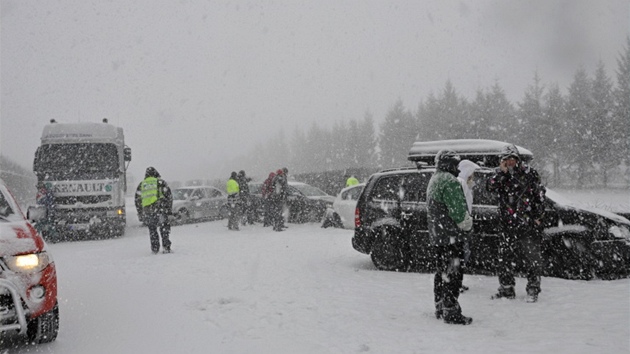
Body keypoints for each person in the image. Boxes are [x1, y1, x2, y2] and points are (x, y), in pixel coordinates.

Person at [486, 144, 546, 303]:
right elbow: (490, 187)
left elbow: (540, 196)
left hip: (527, 224)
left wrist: (537, 216)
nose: (509, 162)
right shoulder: (499, 174)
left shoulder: (529, 173)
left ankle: (533, 290)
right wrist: (502, 174)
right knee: (504, 258)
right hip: (506, 224)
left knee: (532, 258)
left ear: (517, 159)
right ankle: (506, 289)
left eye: (512, 159)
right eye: (506, 159)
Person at [426, 150, 473, 325]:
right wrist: (469, 224)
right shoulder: (449, 181)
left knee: (442, 273)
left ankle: (440, 306)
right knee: (454, 275)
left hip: (438, 236)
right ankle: (451, 311)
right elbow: (459, 214)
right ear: (449, 164)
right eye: (455, 164)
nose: (457, 169)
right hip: (451, 236)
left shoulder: (435, 179)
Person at [456, 159, 480, 292]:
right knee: (460, 255)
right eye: (472, 175)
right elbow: (460, 207)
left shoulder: (466, 185)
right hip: (461, 227)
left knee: (463, 255)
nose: (473, 178)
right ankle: (455, 283)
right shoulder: (461, 184)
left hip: (464, 225)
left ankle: (457, 282)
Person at [140, 167, 173, 254]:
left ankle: (155, 249)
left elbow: (138, 200)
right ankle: (166, 247)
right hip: (160, 209)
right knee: (164, 228)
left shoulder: (142, 184)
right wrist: (169, 210)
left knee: (152, 230)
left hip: (148, 211)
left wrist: (141, 213)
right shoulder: (160, 182)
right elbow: (169, 197)